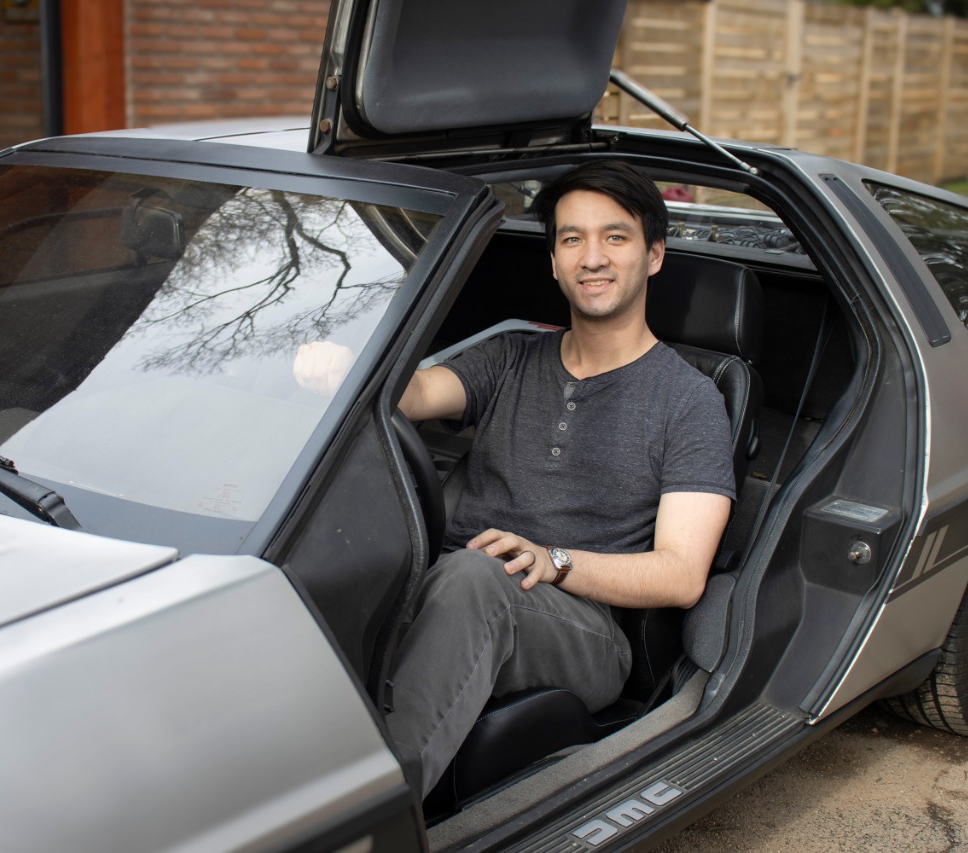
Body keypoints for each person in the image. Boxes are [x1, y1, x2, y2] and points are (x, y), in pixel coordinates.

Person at [295, 160, 735, 798]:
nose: (593, 257)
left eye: (615, 237)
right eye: (571, 238)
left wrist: (551, 560)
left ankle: (368, 815)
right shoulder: (510, 356)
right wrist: (348, 367)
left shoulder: (688, 402)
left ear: (654, 256)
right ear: (553, 261)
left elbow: (681, 573)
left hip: (582, 625)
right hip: (450, 580)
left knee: (479, 576)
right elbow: (413, 393)